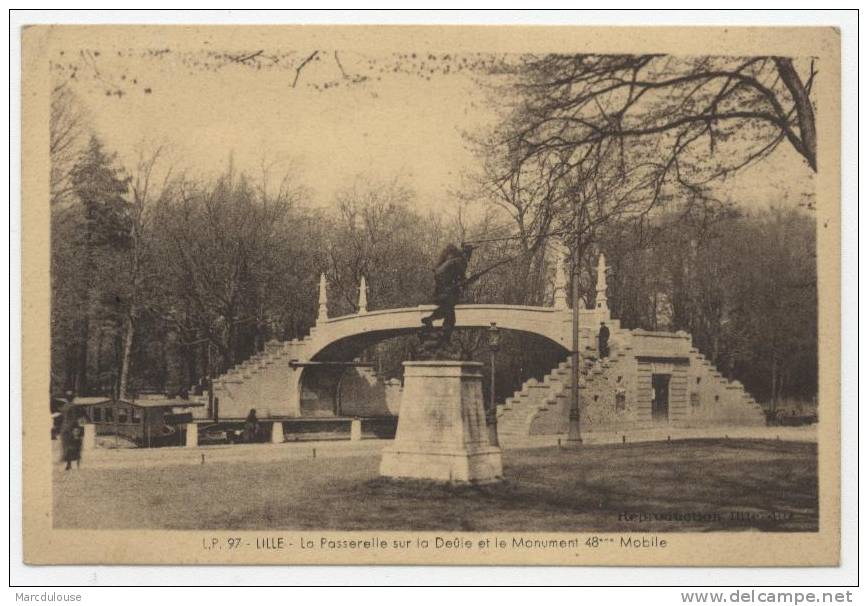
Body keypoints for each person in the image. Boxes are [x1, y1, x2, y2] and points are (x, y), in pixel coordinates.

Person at [421, 243, 474, 343]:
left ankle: (430, 320)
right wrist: (465, 283)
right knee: (450, 317)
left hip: (440, 290)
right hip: (446, 290)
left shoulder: (451, 259)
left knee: (447, 311)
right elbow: (462, 279)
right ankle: (443, 336)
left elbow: (450, 276)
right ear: (467, 254)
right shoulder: (461, 261)